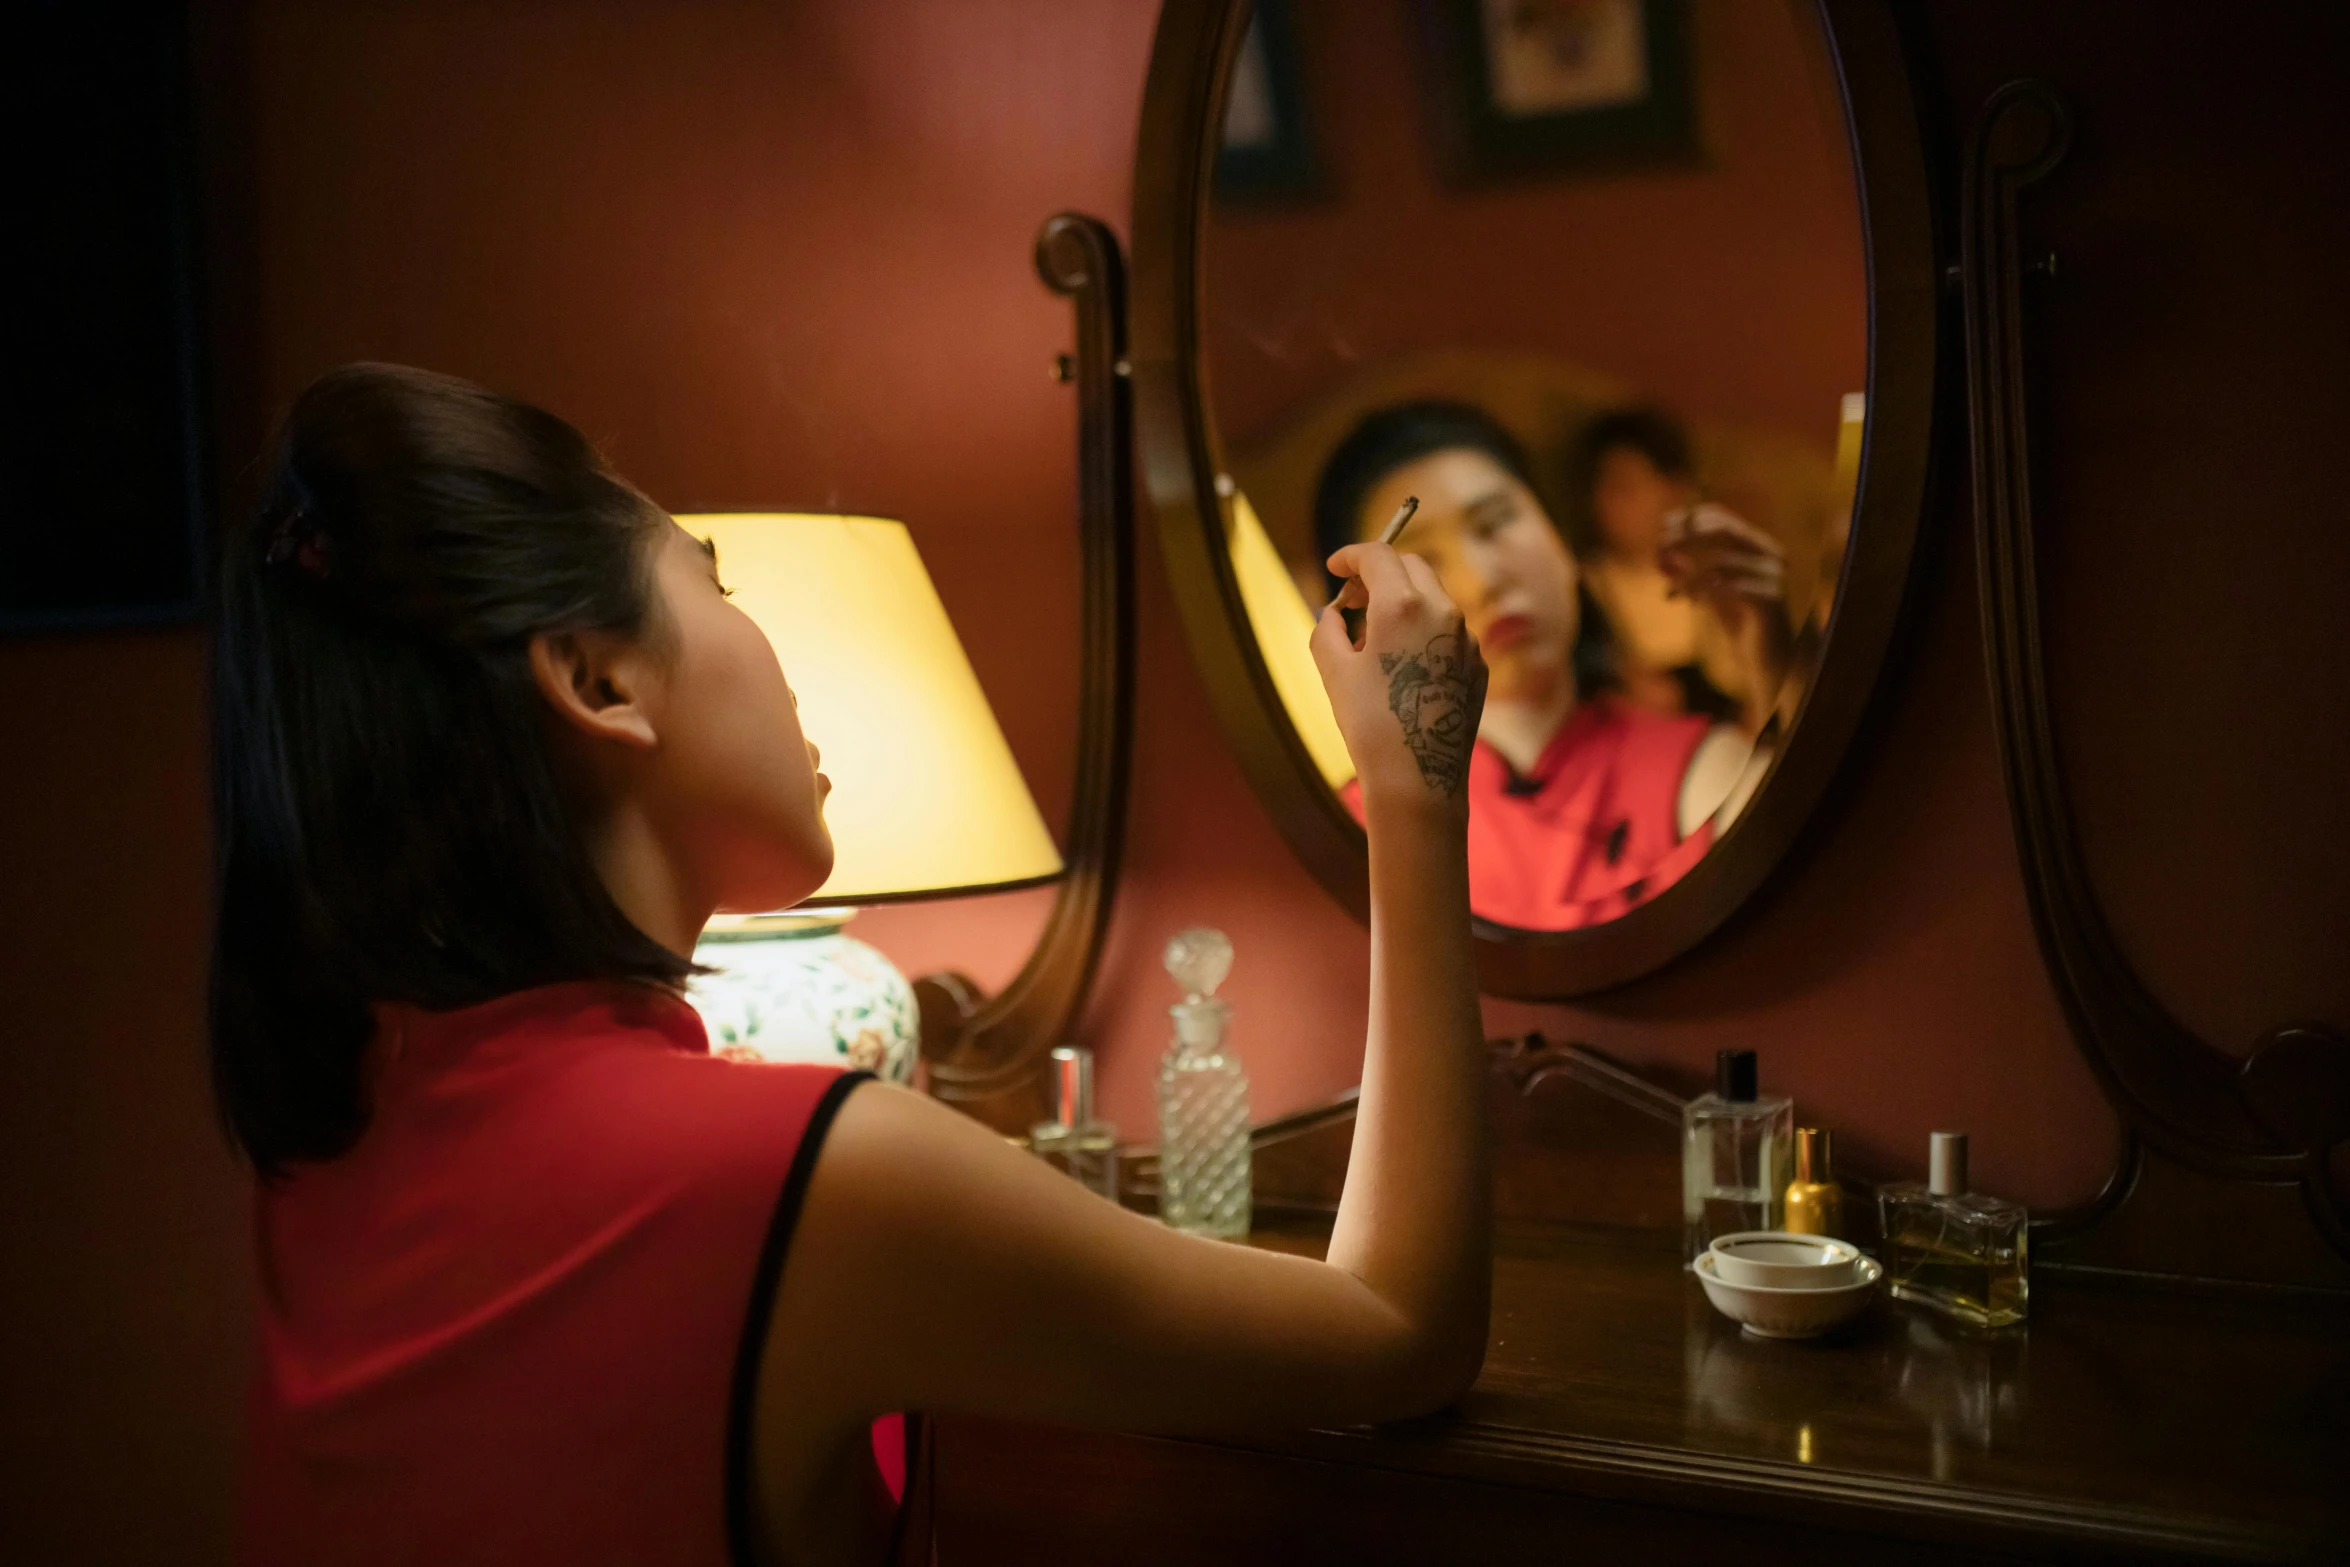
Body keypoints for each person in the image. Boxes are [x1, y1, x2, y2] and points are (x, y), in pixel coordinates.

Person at [216, 364, 1492, 1565]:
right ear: (599, 680)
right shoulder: (807, 1171)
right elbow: (1397, 1334)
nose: (766, 645)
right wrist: (1416, 783)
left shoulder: (339, 1117)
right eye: (717, 586)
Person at [1314, 401, 1786, 931]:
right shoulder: (1358, 829)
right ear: (1361, 624)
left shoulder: (1697, 766)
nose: (1481, 579)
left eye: (1494, 523)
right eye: (1422, 564)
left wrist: (1772, 671)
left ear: (1561, 538)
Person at [1567, 406, 1787, 731]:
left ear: (1675, 493)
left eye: (1624, 489)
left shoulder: (1709, 576)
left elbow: (1757, 685)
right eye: (1600, 489)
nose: (1606, 504)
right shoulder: (1588, 583)